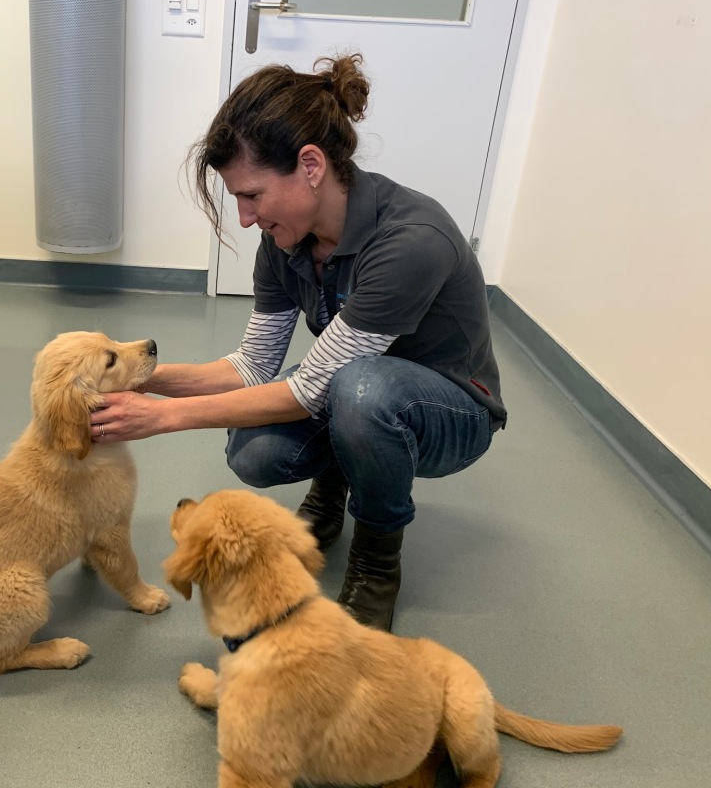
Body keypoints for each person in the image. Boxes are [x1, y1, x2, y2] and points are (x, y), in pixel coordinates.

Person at [88, 53, 506, 632]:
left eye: (252, 195)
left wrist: (161, 418)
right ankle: (339, 477)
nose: (244, 217)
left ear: (310, 165)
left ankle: (376, 561)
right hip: (352, 391)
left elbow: (311, 391)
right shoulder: (285, 240)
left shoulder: (410, 241)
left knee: (361, 391)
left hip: (453, 410)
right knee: (255, 452)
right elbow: (253, 366)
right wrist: (137, 377)